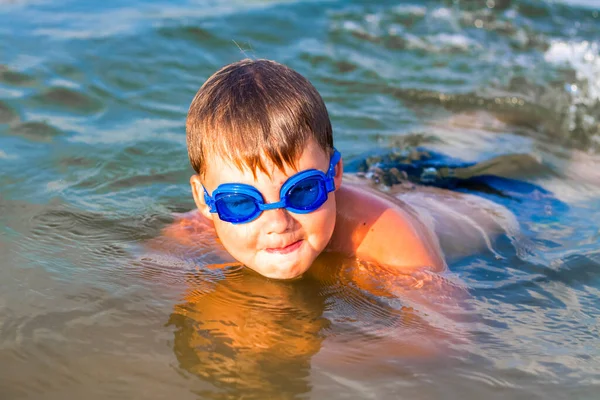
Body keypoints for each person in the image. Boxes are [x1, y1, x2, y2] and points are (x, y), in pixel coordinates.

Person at [164, 58, 519, 284]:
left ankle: (498, 121)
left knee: (521, 160)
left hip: (488, 199)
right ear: (205, 200)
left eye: (302, 192)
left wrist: (303, 346)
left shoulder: (389, 240)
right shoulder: (198, 227)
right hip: (386, 180)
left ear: (334, 176)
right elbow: (151, 285)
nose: (277, 223)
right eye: (240, 203)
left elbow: (448, 337)